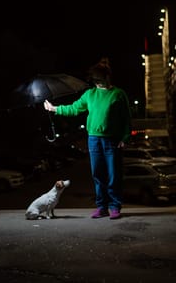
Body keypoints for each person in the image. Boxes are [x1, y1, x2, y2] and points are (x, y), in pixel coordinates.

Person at [44, 59, 131, 219]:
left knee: (113, 174)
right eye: (94, 80)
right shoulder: (90, 94)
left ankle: (114, 206)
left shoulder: (118, 94)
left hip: (112, 140)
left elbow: (126, 118)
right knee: (98, 174)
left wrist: (125, 137)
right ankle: (101, 207)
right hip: (94, 140)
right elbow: (74, 108)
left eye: (99, 79)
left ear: (107, 77)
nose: (97, 83)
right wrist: (54, 108)